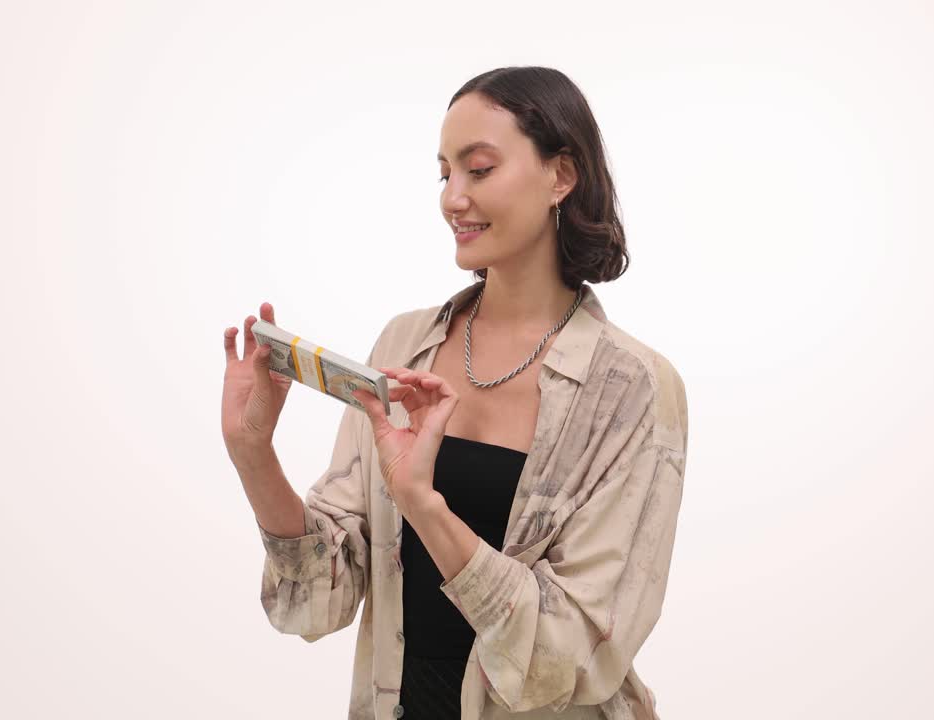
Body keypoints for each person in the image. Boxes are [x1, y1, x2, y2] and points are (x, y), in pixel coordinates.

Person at [221, 66, 689, 720]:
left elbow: (572, 655)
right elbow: (319, 599)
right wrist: (252, 453)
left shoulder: (632, 389)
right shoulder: (403, 348)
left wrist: (425, 506)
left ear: (561, 176)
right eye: (444, 174)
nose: (452, 198)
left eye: (479, 169)